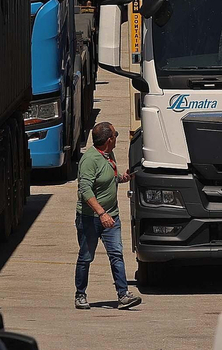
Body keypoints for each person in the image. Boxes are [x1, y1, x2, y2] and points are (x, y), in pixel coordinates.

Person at [75, 121, 141, 310]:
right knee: (86, 257)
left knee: (116, 254)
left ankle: (123, 295)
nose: (117, 138)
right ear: (109, 139)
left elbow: (107, 177)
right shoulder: (89, 160)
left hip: (111, 216)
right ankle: (80, 294)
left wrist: (122, 178)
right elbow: (85, 190)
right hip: (90, 218)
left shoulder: (108, 154)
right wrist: (101, 213)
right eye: (115, 135)